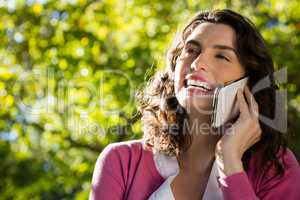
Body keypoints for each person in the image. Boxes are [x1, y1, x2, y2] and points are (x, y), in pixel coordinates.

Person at [89, 9, 300, 200]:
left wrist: (229, 161)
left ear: (249, 82)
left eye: (221, 56)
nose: (197, 63)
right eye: (191, 50)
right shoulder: (120, 161)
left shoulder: (277, 167)